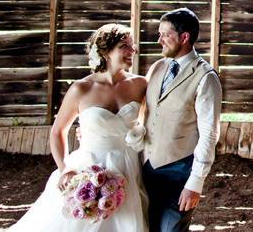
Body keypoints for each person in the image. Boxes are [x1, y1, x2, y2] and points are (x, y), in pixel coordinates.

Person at [9, 23, 149, 231]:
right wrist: (64, 168)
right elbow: (58, 131)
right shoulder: (81, 89)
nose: (133, 51)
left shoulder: (141, 85)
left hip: (129, 166)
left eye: (133, 46)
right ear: (106, 52)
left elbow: (149, 122)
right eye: (125, 46)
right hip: (89, 166)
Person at [142, 8, 221, 232]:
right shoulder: (158, 67)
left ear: (184, 37)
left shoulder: (206, 77)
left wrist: (195, 182)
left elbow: (209, 133)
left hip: (180, 172)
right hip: (146, 168)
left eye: (165, 35)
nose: (159, 40)